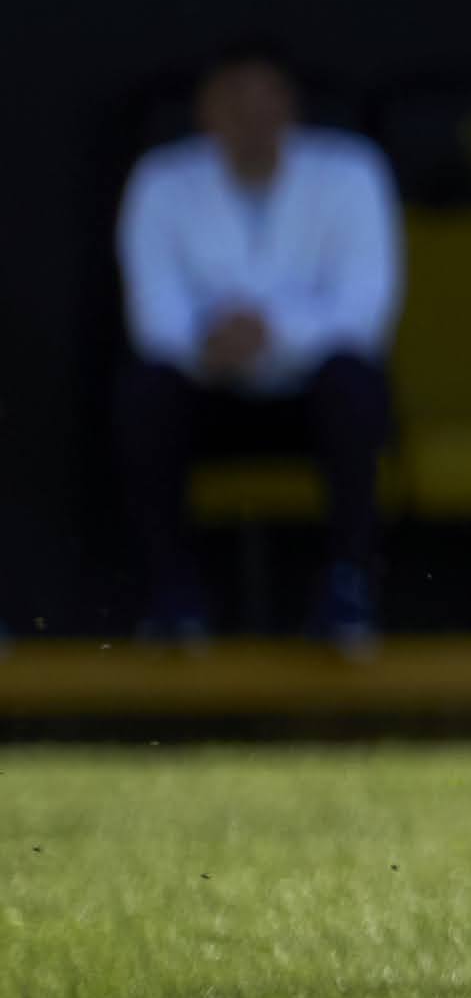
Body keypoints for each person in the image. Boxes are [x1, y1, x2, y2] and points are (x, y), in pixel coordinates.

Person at [112, 43, 400, 653]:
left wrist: (273, 331)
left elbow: (365, 308)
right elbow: (153, 312)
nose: (251, 116)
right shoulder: (162, 180)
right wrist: (209, 340)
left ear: (290, 106)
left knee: (356, 384)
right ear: (205, 111)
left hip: (309, 396)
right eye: (233, 101)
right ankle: (171, 597)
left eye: (264, 98)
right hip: (208, 392)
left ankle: (348, 589)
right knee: (144, 392)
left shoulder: (351, 172)